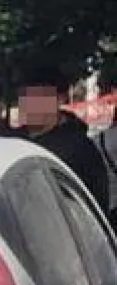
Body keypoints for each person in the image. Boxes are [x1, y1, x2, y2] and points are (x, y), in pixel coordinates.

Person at [19, 66, 110, 211]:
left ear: (60, 99)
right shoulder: (14, 142)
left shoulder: (80, 151)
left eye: (38, 97)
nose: (31, 104)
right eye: (26, 97)